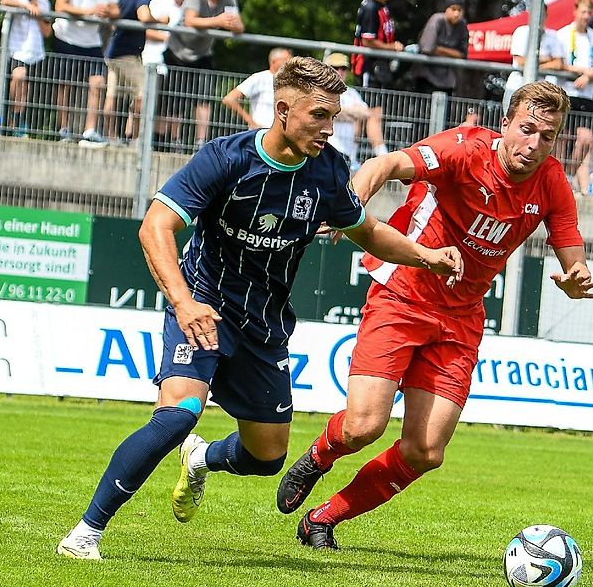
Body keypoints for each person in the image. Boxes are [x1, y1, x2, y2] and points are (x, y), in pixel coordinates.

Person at [56, 57, 464, 561]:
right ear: (283, 109)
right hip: (203, 305)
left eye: (333, 115)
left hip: (264, 325)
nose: (328, 127)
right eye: (318, 115)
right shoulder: (224, 159)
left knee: (267, 457)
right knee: (178, 413)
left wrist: (426, 256)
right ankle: (85, 533)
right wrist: (184, 303)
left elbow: (369, 232)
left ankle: (203, 457)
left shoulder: (329, 170)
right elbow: (155, 227)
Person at [275, 80, 593, 550]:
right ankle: (319, 455)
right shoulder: (464, 150)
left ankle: (323, 518)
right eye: (527, 129)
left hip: (461, 318)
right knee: (364, 426)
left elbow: (572, 252)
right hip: (402, 294)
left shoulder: (551, 182)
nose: (534, 144)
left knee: (426, 450)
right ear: (505, 123)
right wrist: (352, 204)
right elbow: (385, 163)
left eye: (547, 136)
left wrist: (575, 277)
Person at [164, 0, 244, 151]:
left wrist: (234, 25)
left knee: (204, 98)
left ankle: (200, 142)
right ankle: (174, 140)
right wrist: (218, 20)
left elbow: (239, 28)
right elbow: (190, 20)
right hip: (178, 51)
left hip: (203, 53)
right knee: (176, 98)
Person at [91, 0, 167, 147]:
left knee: (112, 95)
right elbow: (144, 16)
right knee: (144, 93)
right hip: (127, 55)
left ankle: (110, 136)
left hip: (112, 52)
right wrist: (160, 21)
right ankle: (136, 139)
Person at [52, 0, 120, 143]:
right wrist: (88, 11)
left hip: (91, 41)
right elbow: (60, 5)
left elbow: (116, 11)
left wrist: (107, 12)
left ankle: (89, 131)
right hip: (66, 38)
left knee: (98, 82)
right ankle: (64, 129)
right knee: (64, 85)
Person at [553, 0, 593, 196]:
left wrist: (589, 74)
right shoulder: (563, 34)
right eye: (583, 12)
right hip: (567, 92)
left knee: (586, 139)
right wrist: (580, 71)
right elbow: (559, 63)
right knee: (562, 138)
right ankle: (557, 177)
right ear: (575, 11)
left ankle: (568, 173)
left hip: (587, 96)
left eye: (588, 13)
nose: (586, 16)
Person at [351, 0, 400, 158]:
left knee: (370, 113)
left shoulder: (383, 7)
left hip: (378, 68)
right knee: (369, 113)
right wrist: (392, 47)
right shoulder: (371, 8)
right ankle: (380, 156)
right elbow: (367, 41)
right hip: (367, 68)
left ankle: (354, 155)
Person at [141, 0, 190, 152]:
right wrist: (172, 40)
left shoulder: (189, 8)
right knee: (149, 102)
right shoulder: (158, 3)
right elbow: (145, 32)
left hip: (177, 61)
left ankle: (166, 142)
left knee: (174, 104)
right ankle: (140, 138)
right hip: (154, 60)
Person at [0, 0, 51, 137]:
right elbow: (4, 1)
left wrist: (38, 12)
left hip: (36, 53)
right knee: (18, 77)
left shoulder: (44, 2)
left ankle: (18, 121)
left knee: (27, 91)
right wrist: (26, 6)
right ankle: (14, 117)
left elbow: (47, 32)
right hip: (18, 51)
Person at [502, 3, 564, 111]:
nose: (539, 17)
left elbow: (558, 63)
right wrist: (547, 59)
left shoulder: (553, 36)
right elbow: (521, 61)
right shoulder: (521, 32)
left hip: (538, 92)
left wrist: (535, 65)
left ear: (546, 15)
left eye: (542, 14)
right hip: (517, 87)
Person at [408, 0, 468, 96]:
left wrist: (438, 49)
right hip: (426, 75)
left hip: (446, 79)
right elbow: (427, 48)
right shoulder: (437, 20)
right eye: (453, 9)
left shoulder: (462, 25)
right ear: (446, 9)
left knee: (444, 109)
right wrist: (451, 52)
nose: (456, 14)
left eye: (460, 10)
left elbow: (462, 54)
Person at [221, 47, 292, 130]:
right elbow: (229, 99)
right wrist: (250, 122)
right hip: (262, 132)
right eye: (286, 59)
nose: (289, 63)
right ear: (273, 61)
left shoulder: (290, 81)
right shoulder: (259, 78)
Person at [323, 52, 372, 171]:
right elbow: (329, 111)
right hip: (327, 150)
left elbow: (365, 113)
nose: (340, 71)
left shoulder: (352, 93)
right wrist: (352, 114)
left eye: (343, 68)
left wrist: (339, 112)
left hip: (348, 154)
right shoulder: (322, 91)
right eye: (335, 68)